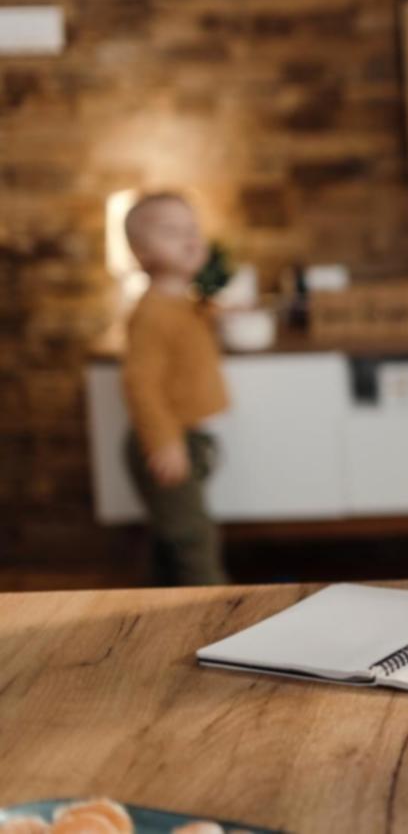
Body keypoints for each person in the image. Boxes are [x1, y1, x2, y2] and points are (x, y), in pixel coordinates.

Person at [120, 192, 231, 586]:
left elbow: (191, 336)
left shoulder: (182, 302)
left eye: (193, 230)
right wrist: (164, 441)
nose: (190, 239)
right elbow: (140, 383)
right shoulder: (151, 312)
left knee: (173, 535)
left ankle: (161, 611)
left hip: (190, 439)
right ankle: (214, 615)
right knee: (193, 539)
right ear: (140, 251)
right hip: (170, 440)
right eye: (172, 232)